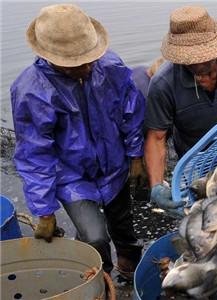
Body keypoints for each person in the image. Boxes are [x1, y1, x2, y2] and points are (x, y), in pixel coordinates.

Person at [10, 4, 146, 277]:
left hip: (114, 165)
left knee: (124, 226)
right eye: (75, 63)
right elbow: (35, 154)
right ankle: (101, 278)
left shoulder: (111, 67)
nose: (85, 66)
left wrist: (135, 155)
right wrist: (45, 210)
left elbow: (130, 111)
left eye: (88, 58)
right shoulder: (32, 90)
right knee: (94, 236)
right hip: (72, 177)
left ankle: (129, 270)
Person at [144, 6, 217, 216]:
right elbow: (156, 137)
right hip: (193, 153)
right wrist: (156, 185)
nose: (198, 63)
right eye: (190, 58)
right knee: (202, 208)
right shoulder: (162, 84)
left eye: (204, 55)